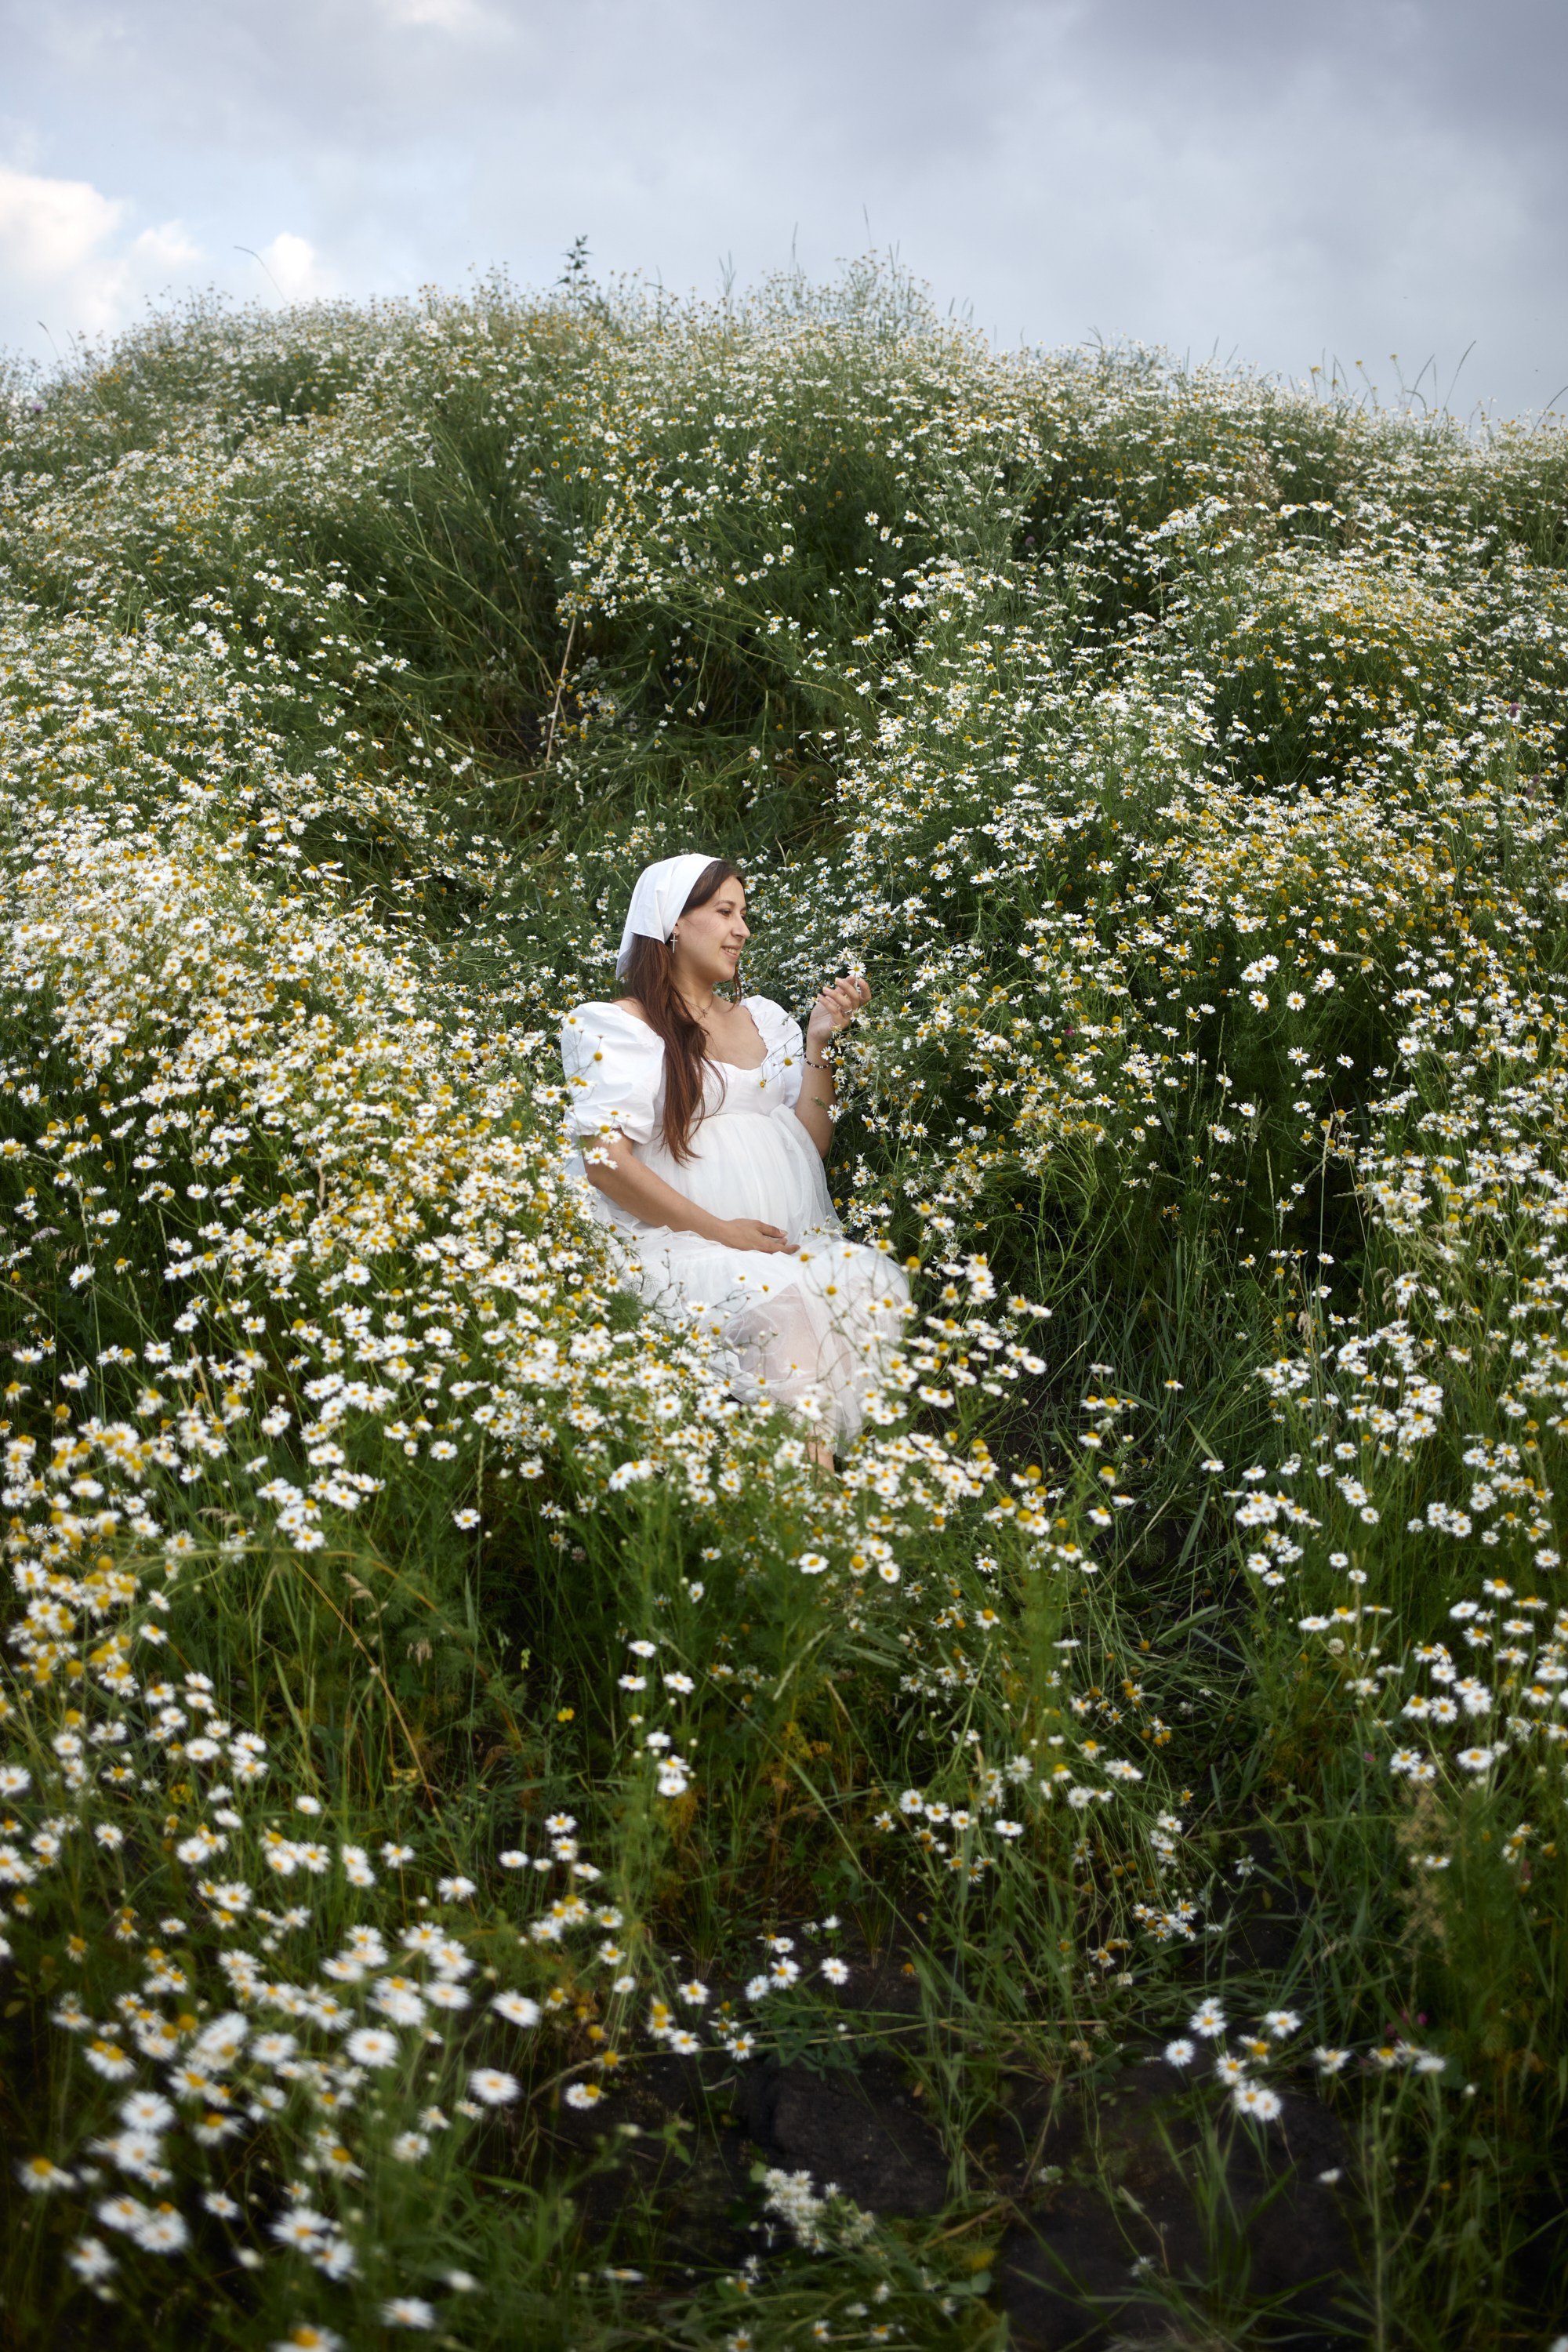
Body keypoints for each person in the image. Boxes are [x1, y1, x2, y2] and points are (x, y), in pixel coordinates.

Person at [559, 853, 909, 1458]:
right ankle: (813, 1515)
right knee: (793, 1326)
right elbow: (603, 1161)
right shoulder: (621, 1026)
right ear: (672, 921)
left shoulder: (764, 1019)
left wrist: (817, 1042)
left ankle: (809, 1514)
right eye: (724, 911)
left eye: (744, 913)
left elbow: (810, 1145)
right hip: (678, 1243)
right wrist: (723, 1233)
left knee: (853, 1298)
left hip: (784, 1240)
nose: (742, 928)